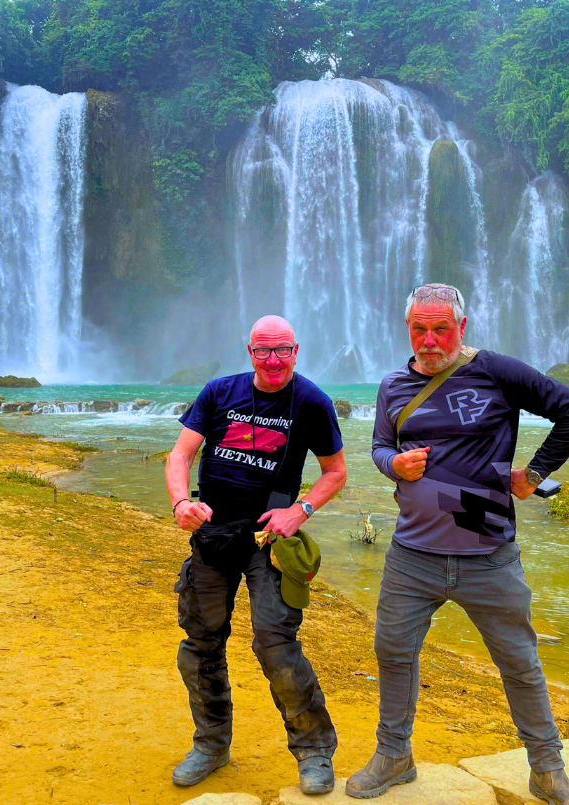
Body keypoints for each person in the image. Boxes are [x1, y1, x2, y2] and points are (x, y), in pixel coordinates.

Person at [346, 284, 569, 803]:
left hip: (489, 554)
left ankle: (547, 769)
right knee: (393, 652)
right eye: (420, 328)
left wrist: (535, 473)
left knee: (519, 663)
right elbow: (378, 445)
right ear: (408, 329)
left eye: (441, 328)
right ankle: (394, 756)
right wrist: (392, 464)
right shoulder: (393, 385)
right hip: (412, 554)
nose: (430, 339)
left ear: (462, 327)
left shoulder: (497, 372)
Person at [165, 314, 348, 794]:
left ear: (296, 350)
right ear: (249, 352)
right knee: (200, 640)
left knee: (275, 640)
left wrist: (300, 510)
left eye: (282, 350)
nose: (273, 360)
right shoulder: (218, 392)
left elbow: (335, 472)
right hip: (214, 533)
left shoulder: (312, 401)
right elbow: (180, 455)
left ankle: (314, 752)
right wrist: (181, 502)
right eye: (263, 350)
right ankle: (210, 745)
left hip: (270, 538)